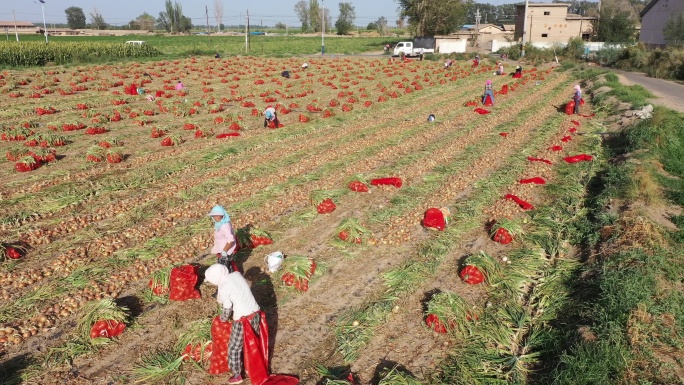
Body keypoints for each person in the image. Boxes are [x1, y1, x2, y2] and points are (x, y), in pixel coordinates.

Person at [205, 264, 267, 385]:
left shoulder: (224, 288)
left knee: (234, 348)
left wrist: (222, 319)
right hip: (256, 312)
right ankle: (255, 366)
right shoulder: (236, 275)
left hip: (243, 319)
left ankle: (237, 375)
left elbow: (227, 309)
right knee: (252, 342)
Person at [208, 205, 237, 271]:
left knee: (224, 269)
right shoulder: (219, 224)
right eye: (214, 216)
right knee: (226, 267)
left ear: (222, 215)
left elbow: (230, 239)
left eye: (218, 215)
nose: (216, 217)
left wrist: (224, 251)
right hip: (221, 250)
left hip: (226, 251)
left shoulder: (224, 226)